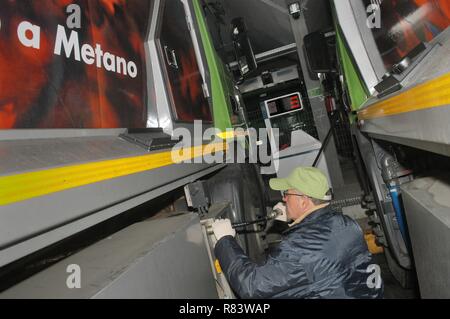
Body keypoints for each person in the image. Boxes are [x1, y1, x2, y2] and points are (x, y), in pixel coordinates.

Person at [211, 167, 383, 299]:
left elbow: (251, 285)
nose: (284, 199)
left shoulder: (299, 247)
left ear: (304, 201)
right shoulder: (347, 224)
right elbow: (317, 256)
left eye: (287, 194)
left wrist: (225, 240)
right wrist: (296, 221)